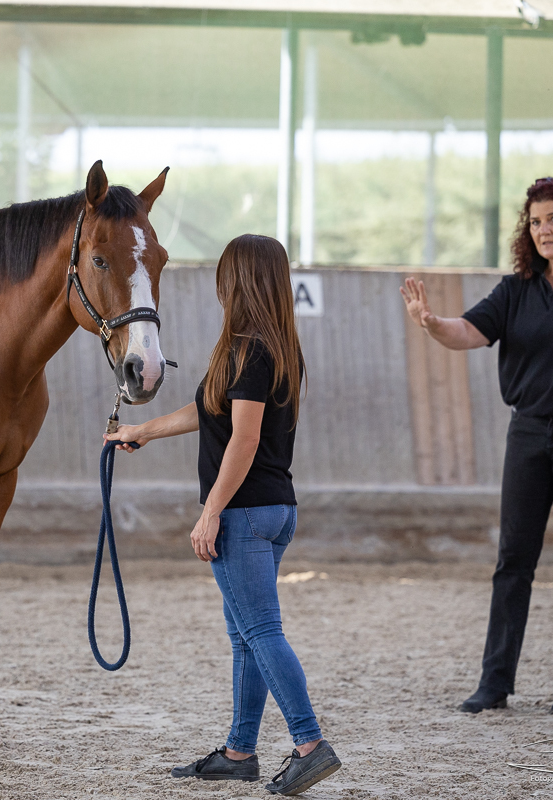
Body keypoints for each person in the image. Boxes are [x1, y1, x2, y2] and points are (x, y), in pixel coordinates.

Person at [400, 176, 553, 715]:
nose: (544, 230)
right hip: (529, 432)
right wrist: (431, 323)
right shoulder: (517, 288)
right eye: (536, 221)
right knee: (513, 558)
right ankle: (495, 684)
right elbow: (467, 332)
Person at [105, 234, 340, 795]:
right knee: (247, 637)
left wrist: (211, 510)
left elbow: (244, 438)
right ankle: (240, 751)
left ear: (235, 280)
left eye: (223, 272)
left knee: (260, 631)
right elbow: (207, 408)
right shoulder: (265, 346)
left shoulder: (250, 348)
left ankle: (309, 744)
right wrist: (142, 430)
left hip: (245, 512)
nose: (217, 282)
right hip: (273, 508)